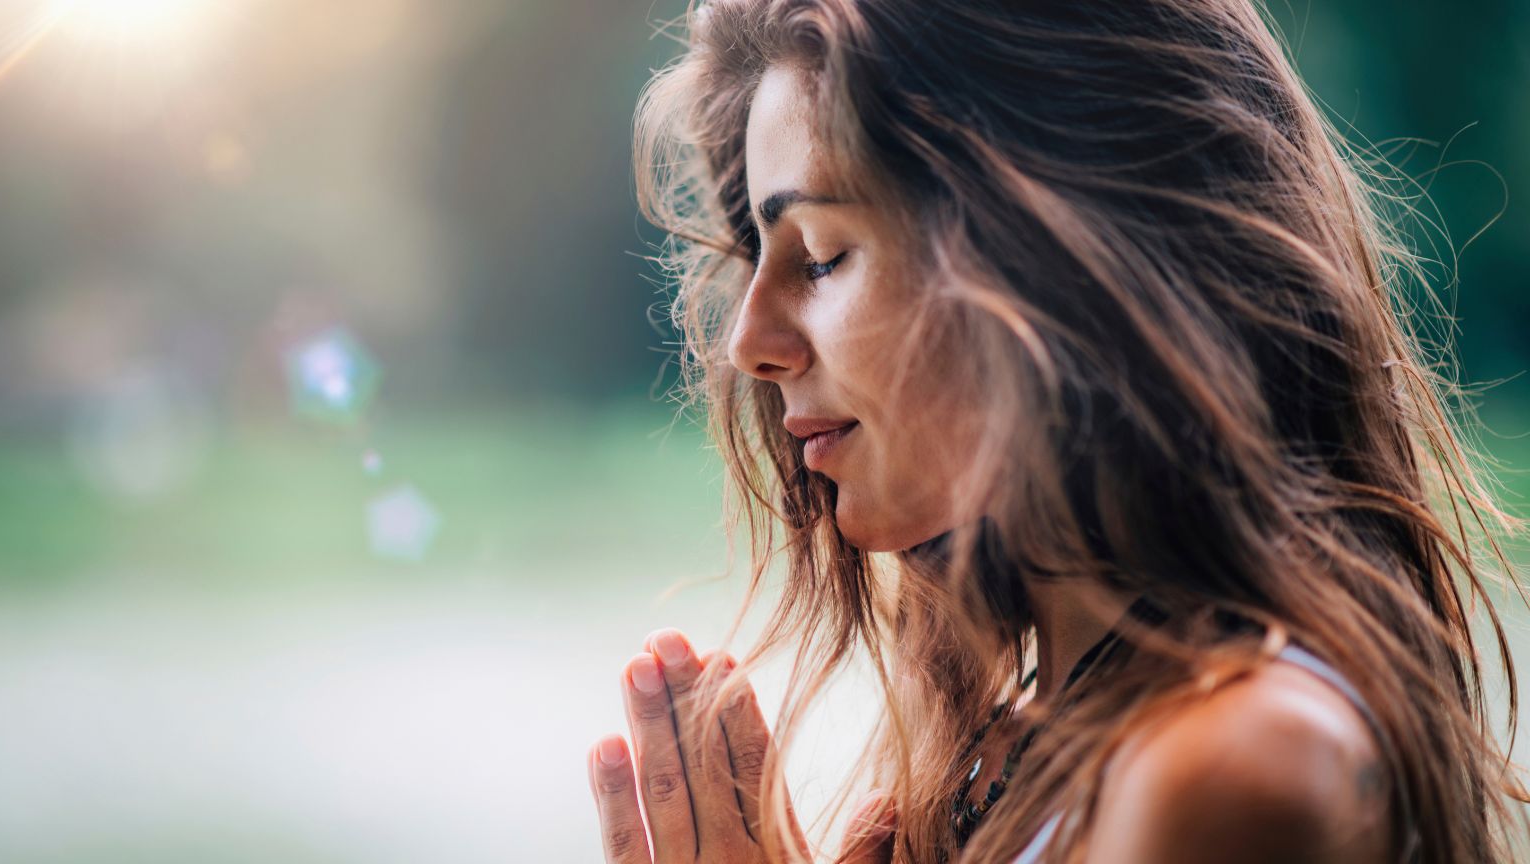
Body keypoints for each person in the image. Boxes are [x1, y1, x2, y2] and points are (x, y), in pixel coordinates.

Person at [587, 1, 1530, 861]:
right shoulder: (1004, 759)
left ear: (1056, 248)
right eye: (759, 260)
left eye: (824, 257)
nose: (749, 343)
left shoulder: (1232, 773)